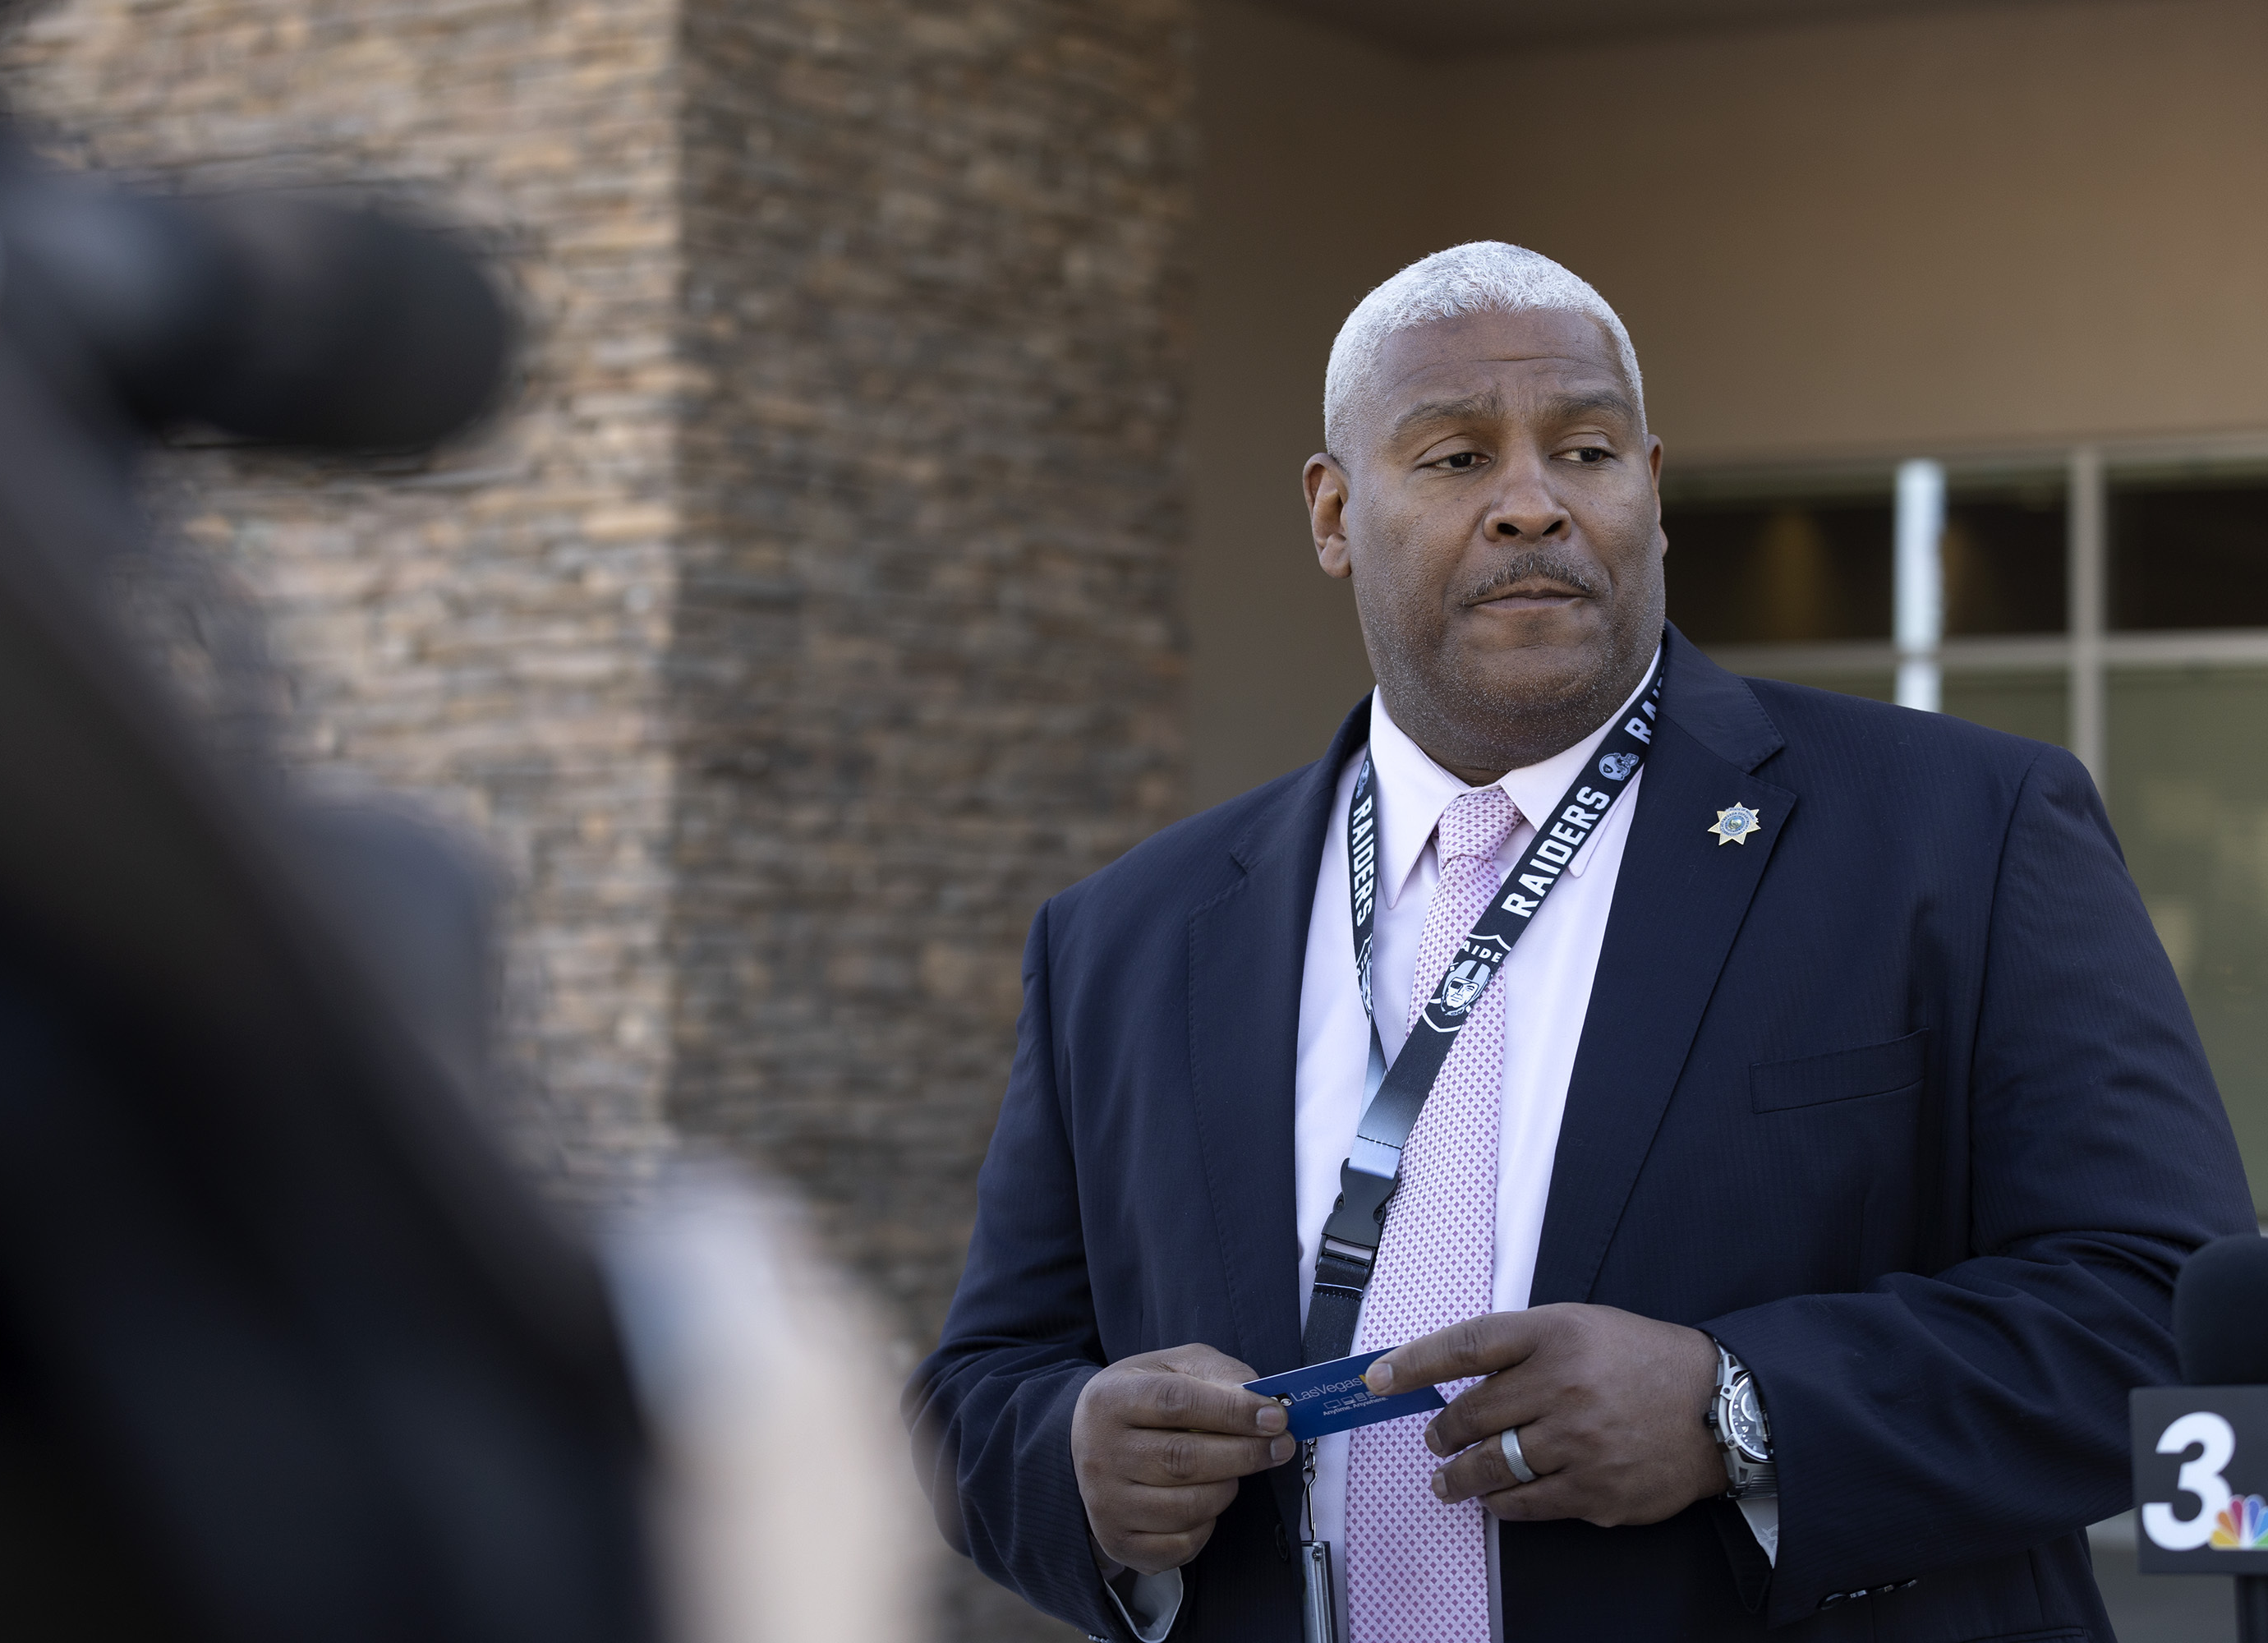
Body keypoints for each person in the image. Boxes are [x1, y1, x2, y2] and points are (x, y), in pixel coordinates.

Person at [906, 241, 2258, 1641]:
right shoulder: (1127, 937)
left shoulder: (1960, 834)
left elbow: (2169, 1317)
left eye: (1586, 450)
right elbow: (980, 1386)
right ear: (1330, 511)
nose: (1530, 506)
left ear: (1653, 495)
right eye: (1453, 459)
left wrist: (1742, 1408)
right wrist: (1073, 1459)